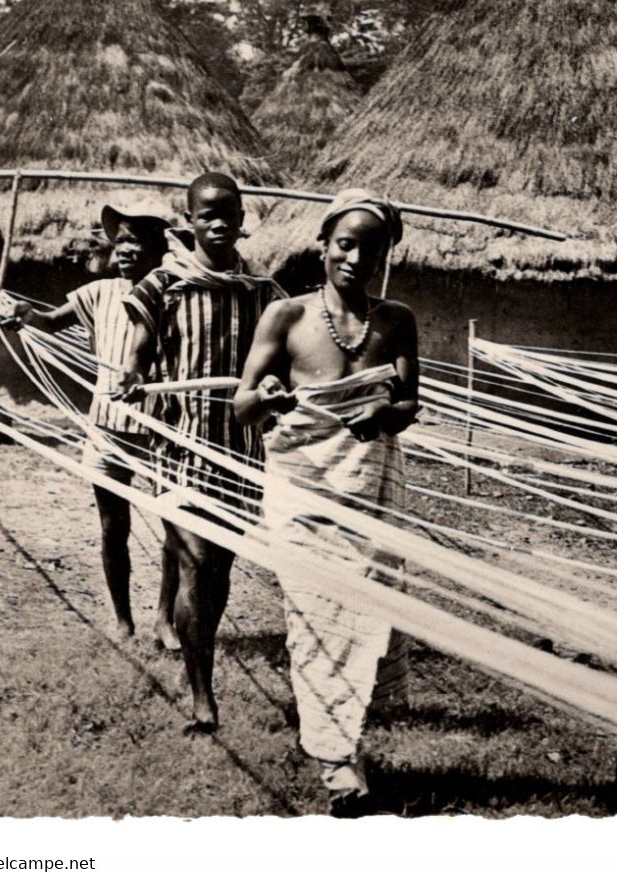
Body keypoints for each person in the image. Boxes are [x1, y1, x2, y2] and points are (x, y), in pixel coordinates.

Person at [234, 189, 419, 814]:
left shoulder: (396, 321)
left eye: (371, 250)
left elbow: (409, 405)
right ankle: (339, 767)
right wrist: (268, 396)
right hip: (302, 489)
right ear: (322, 245)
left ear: (384, 258)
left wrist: (383, 412)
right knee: (314, 619)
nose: (355, 259)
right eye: (345, 244)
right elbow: (241, 406)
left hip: (369, 490)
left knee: (365, 612)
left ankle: (345, 743)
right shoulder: (285, 318)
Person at [114, 173, 286, 734]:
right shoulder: (162, 286)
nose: (217, 223)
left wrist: (278, 392)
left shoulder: (264, 294)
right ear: (187, 222)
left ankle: (199, 656)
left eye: (227, 213)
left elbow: (284, 363)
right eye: (205, 214)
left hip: (242, 453)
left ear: (241, 220)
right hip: (180, 447)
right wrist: (132, 376)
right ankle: (202, 697)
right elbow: (137, 355)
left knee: (218, 574)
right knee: (193, 564)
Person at [0, 201, 173, 644]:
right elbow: (50, 321)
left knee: (177, 528)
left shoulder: (174, 294)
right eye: (121, 242)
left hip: (161, 430)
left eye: (137, 241)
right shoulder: (99, 293)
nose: (127, 249)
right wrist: (22, 315)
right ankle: (122, 619)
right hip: (107, 428)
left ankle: (165, 618)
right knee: (114, 528)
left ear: (157, 248)